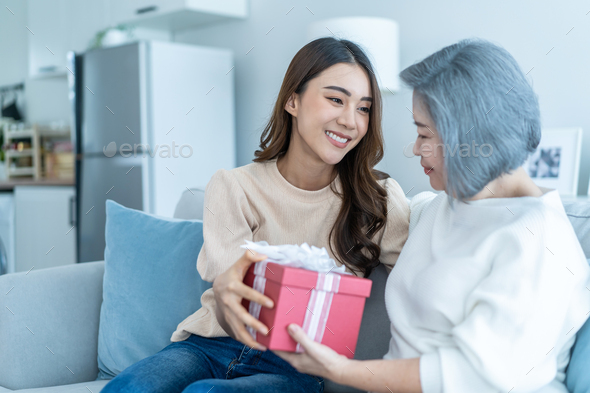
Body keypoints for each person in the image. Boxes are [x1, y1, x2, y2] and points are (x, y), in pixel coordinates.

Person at [267, 39, 590, 392]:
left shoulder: (539, 239)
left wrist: (340, 370)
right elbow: (332, 214)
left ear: (467, 135)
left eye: (423, 133)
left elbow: (469, 376)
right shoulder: (441, 206)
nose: (415, 148)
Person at [101, 37, 410, 393]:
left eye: (364, 108)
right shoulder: (234, 186)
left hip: (296, 365)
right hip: (208, 345)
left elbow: (418, 282)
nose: (350, 121)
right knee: (127, 389)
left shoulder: (379, 198)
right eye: (336, 99)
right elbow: (227, 279)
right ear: (293, 100)